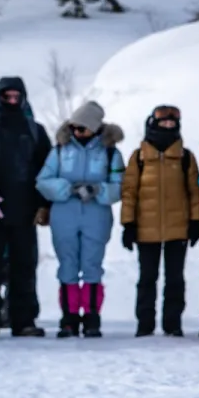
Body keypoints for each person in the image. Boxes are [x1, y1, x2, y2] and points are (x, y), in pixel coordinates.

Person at [36, 101, 124, 339]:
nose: (78, 132)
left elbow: (120, 186)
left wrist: (97, 190)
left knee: (92, 266)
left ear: (95, 128)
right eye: (74, 127)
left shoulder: (110, 153)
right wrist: (66, 189)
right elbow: (43, 180)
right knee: (67, 266)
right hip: (64, 215)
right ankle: (69, 317)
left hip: (96, 216)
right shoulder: (60, 151)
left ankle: (92, 317)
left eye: (83, 128)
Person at [0, 77, 52, 338]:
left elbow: (47, 170)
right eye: (6, 96)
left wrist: (45, 204)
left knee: (24, 267)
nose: (11, 101)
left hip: (25, 208)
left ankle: (24, 320)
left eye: (16, 96)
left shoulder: (35, 131)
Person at [120, 104, 199, 337]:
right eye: (163, 123)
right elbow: (129, 192)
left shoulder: (186, 158)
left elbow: (195, 192)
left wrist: (196, 221)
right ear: (152, 125)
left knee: (175, 278)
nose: (168, 126)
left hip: (178, 229)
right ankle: (145, 323)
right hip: (146, 229)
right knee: (147, 278)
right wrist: (128, 224)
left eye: (172, 123)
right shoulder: (139, 158)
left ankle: (172, 323)